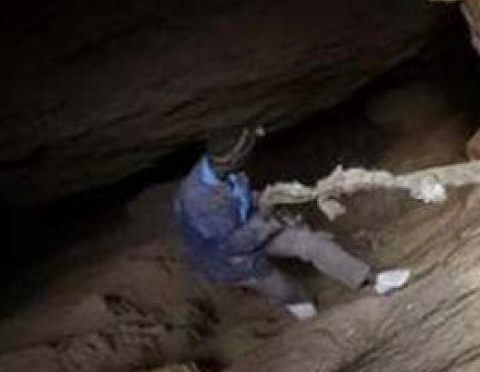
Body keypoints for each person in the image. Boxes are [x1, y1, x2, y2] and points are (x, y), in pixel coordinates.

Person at [174, 126, 411, 319]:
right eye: (247, 152)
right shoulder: (199, 199)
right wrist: (267, 216)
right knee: (289, 289)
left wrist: (268, 200)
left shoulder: (225, 170)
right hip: (229, 258)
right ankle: (311, 324)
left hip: (252, 226)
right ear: (234, 158)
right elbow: (234, 243)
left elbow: (238, 201)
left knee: (309, 243)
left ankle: (374, 280)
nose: (252, 156)